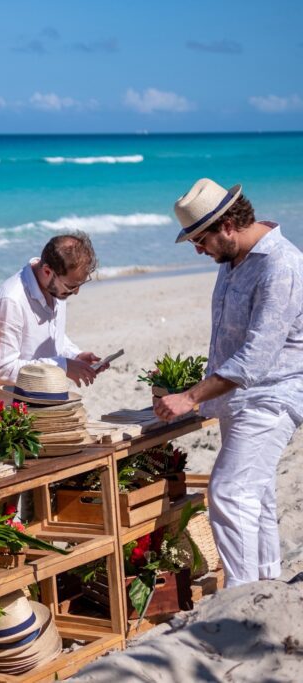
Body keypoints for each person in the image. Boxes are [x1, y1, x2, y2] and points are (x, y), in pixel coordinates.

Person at [155, 178, 303, 589]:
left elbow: (255, 358)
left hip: (272, 396)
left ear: (226, 226)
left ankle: (239, 596)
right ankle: (268, 588)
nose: (198, 249)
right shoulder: (233, 259)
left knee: (229, 493)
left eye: (199, 240)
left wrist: (189, 397)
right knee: (255, 495)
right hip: (236, 400)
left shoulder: (281, 265)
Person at [0, 231, 107, 400]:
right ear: (47, 271)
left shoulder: (55, 289)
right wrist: (63, 366)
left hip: (46, 401)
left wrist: (75, 356)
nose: (76, 292)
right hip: (9, 409)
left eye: (79, 285)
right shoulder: (10, 300)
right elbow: (3, 370)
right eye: (71, 286)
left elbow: (51, 337)